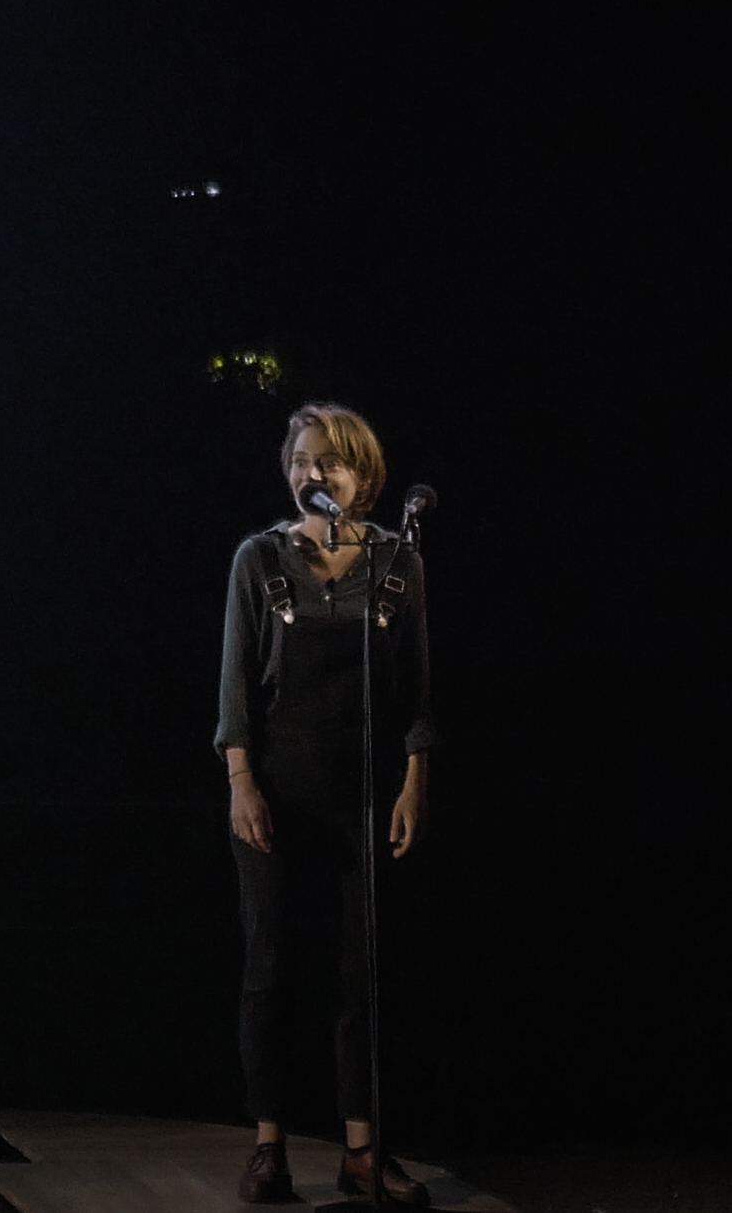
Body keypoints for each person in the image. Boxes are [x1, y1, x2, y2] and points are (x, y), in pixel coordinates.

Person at [217, 402, 433, 1205]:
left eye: (330, 463)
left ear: (362, 480)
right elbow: (235, 691)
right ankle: (269, 1145)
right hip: (275, 792)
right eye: (302, 461)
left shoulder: (398, 562)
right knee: (270, 970)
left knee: (361, 976)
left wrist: (414, 782)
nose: (313, 474)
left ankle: (361, 1150)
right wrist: (242, 784)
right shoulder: (260, 560)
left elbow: (417, 692)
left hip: (365, 798)